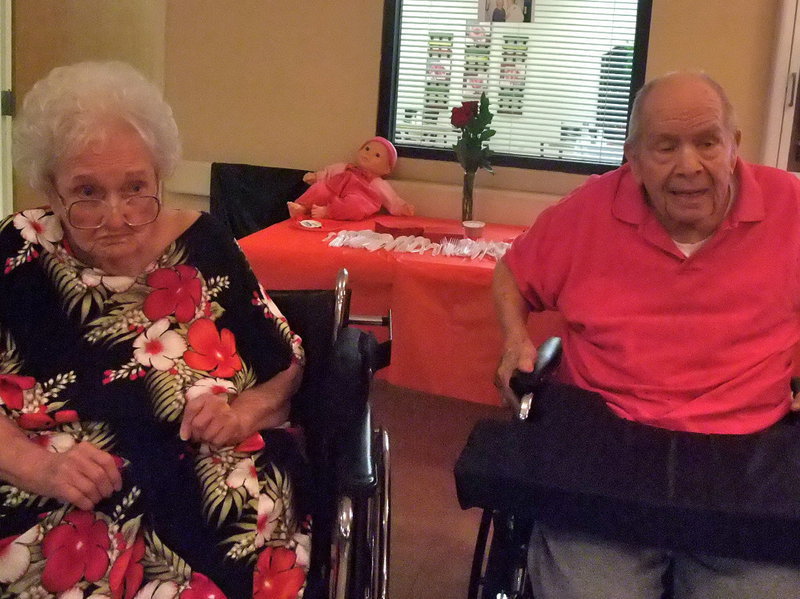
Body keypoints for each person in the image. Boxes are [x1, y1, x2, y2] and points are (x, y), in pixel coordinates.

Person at [0, 61, 310, 599]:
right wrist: (36, 467)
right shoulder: (17, 250)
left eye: (136, 187)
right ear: (50, 189)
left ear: (161, 176)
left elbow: (287, 366)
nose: (116, 216)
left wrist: (238, 414)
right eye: (87, 191)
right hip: (55, 479)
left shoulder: (206, 245)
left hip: (207, 474)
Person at [493, 71, 800, 598]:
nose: (689, 166)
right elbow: (513, 274)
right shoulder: (588, 212)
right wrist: (514, 338)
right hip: (607, 447)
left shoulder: (791, 206)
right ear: (632, 158)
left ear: (735, 146)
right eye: (665, 147)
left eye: (708, 142)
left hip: (744, 458)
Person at [286, 136, 415, 221]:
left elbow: (390, 198)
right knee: (320, 189)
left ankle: (327, 212)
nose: (368, 155)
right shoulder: (346, 167)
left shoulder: (376, 182)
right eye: (367, 149)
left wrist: (401, 207)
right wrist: (316, 176)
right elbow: (329, 172)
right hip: (335, 191)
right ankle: (302, 208)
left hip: (357, 198)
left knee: (355, 206)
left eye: (377, 155)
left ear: (387, 169)